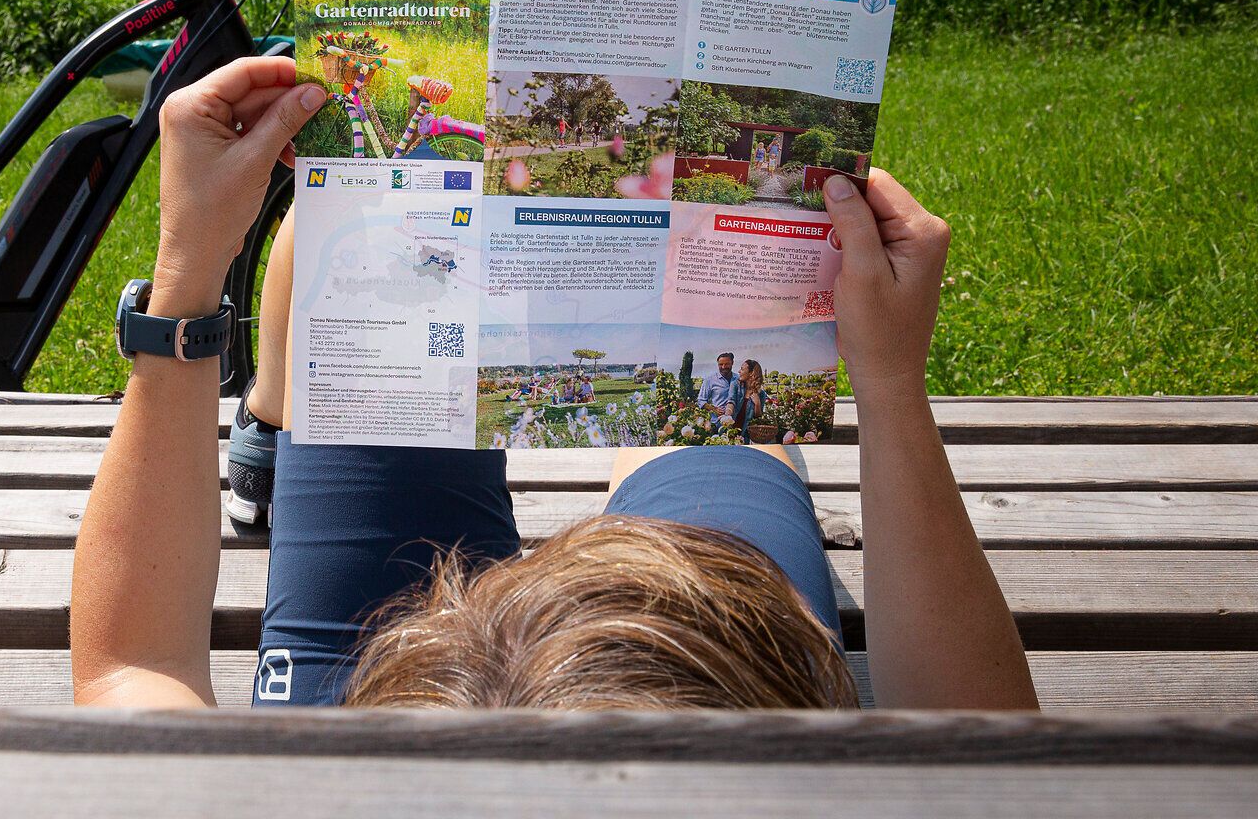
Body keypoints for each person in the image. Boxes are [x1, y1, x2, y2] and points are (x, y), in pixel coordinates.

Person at [72, 56, 1037, 712]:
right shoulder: (760, 743)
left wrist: (187, 271)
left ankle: (268, 427)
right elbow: (986, 739)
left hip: (419, 692)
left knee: (338, 244)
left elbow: (129, 664)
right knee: (711, 426)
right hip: (693, 657)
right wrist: (889, 383)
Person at [697, 352, 739, 425]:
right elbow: (701, 400)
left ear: (732, 363)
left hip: (737, 421)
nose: (723, 367)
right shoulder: (710, 380)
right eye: (720, 364)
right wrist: (714, 409)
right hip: (718, 423)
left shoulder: (738, 379)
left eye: (726, 364)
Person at [735, 358, 765, 434]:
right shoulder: (737, 387)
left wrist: (757, 404)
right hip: (732, 430)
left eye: (742, 369)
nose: (739, 371)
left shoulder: (761, 394)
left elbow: (758, 418)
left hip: (746, 433)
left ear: (751, 373)